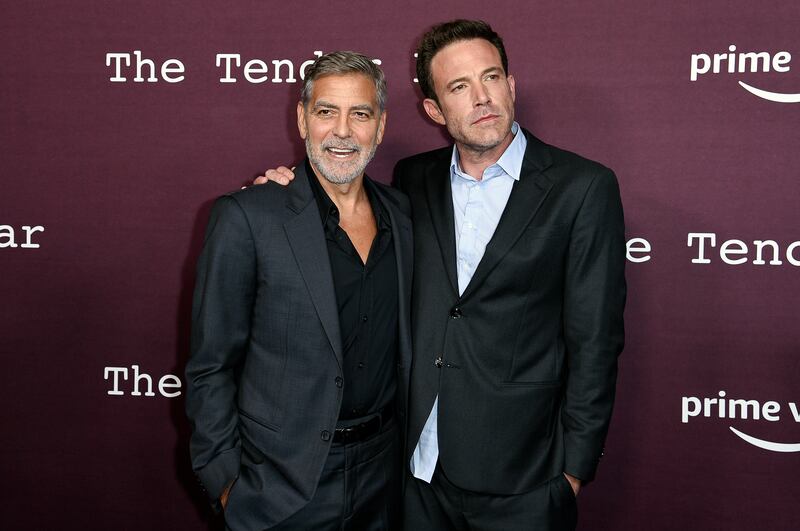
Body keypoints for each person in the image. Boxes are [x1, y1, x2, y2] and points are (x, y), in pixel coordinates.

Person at [260, 19, 626, 531]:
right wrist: (284, 189)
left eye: (491, 77)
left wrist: (573, 471)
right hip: (416, 470)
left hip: (524, 475)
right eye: (459, 87)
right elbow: (338, 203)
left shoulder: (582, 188)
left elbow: (596, 339)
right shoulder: (414, 179)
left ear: (511, 85)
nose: (481, 97)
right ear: (434, 109)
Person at [185, 51, 413, 531]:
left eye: (361, 114)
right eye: (326, 111)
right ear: (302, 119)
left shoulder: (405, 216)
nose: (343, 131)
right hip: (281, 487)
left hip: (384, 480)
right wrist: (228, 484)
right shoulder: (249, 217)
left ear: (382, 124)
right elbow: (211, 365)